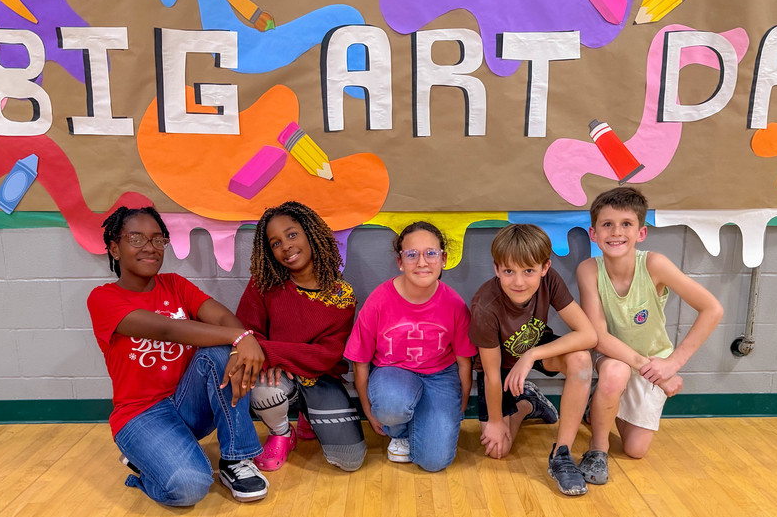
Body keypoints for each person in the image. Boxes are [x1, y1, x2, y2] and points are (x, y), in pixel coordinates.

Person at [87, 206, 269, 506]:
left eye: (158, 239)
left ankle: (235, 459)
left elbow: (223, 319)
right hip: (141, 415)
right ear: (114, 248)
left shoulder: (175, 284)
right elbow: (169, 330)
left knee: (223, 352)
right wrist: (243, 337)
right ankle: (144, 468)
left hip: (187, 402)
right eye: (137, 238)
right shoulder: (104, 298)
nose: (150, 247)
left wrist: (241, 339)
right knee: (189, 488)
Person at [575, 187, 723, 485]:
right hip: (615, 358)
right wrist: (652, 371)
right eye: (607, 224)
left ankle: (598, 408)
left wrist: (672, 365)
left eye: (626, 224)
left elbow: (712, 309)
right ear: (593, 233)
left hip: (654, 363)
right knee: (615, 373)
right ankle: (598, 447)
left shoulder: (654, 265)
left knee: (635, 450)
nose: (616, 232)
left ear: (641, 232)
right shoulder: (589, 270)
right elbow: (599, 337)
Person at [236, 201, 366, 473]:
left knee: (350, 461)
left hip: (321, 378)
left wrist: (272, 353)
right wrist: (270, 359)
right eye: (275, 243)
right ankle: (282, 432)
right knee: (264, 388)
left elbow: (327, 355)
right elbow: (248, 334)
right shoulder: (264, 283)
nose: (285, 246)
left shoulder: (342, 295)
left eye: (292, 234)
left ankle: (310, 417)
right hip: (275, 373)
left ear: (310, 233)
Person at [469, 224, 597, 496]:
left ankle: (561, 455)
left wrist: (531, 354)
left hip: (534, 349)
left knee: (581, 360)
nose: (518, 282)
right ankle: (528, 404)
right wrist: (494, 422)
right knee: (498, 450)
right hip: (499, 370)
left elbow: (588, 334)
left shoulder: (550, 281)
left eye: (528, 271)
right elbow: (491, 375)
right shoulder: (485, 306)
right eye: (509, 271)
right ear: (496, 269)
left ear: (545, 267)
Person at [344, 221, 476, 472]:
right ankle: (400, 431)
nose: (422, 262)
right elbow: (359, 361)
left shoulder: (455, 304)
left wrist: (459, 406)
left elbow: (464, 362)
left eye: (431, 253)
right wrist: (369, 412)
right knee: (392, 406)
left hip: (440, 377)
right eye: (412, 255)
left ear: (444, 259)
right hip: (393, 374)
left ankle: (423, 423)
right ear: (400, 262)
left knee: (434, 462)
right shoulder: (379, 301)